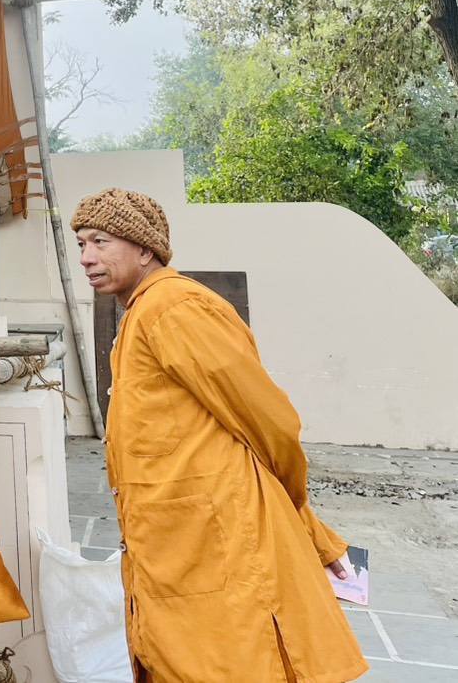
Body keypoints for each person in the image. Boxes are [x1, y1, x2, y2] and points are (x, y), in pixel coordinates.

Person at [73, 188, 367, 683]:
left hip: (217, 537)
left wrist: (296, 509)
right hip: (177, 539)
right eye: (82, 243)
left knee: (235, 660)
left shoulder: (175, 308)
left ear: (144, 249)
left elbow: (269, 421)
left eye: (100, 241)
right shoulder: (143, 311)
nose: (86, 257)